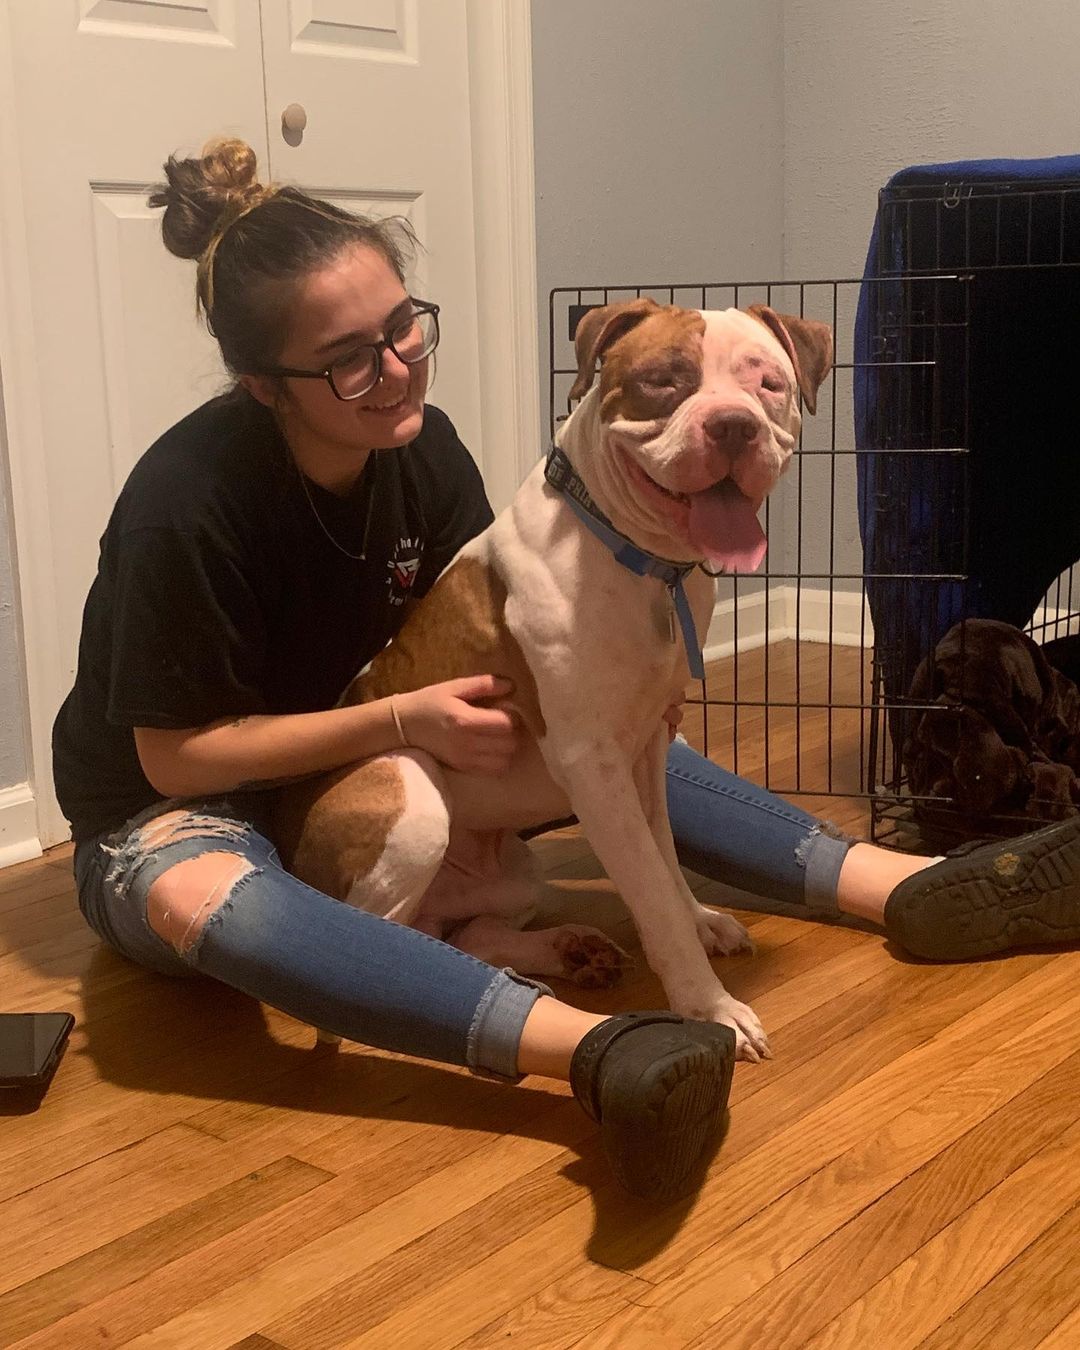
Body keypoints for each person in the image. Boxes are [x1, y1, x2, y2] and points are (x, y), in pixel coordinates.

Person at [52, 139, 1080, 1203]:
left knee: (627, 739)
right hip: (174, 810)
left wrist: (595, 681)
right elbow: (174, 758)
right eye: (351, 358)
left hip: (385, 753)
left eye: (406, 325)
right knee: (212, 895)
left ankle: (923, 888)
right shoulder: (189, 500)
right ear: (266, 386)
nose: (398, 367)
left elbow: (485, 643)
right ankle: (592, 1053)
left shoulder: (419, 446)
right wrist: (403, 719)